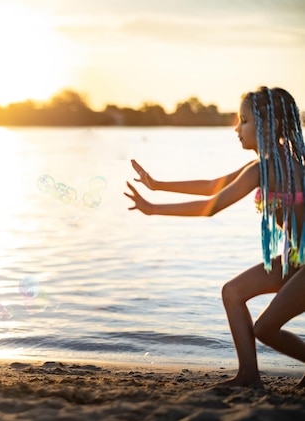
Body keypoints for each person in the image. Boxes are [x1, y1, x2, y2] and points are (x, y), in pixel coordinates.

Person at [125, 86, 305, 389]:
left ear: (269, 124)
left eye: (244, 120)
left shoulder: (267, 168)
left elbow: (212, 206)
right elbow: (215, 185)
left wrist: (154, 208)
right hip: (296, 259)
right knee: (233, 292)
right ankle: (248, 375)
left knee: (265, 328)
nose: (237, 128)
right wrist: (157, 185)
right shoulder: (268, 164)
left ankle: (250, 376)